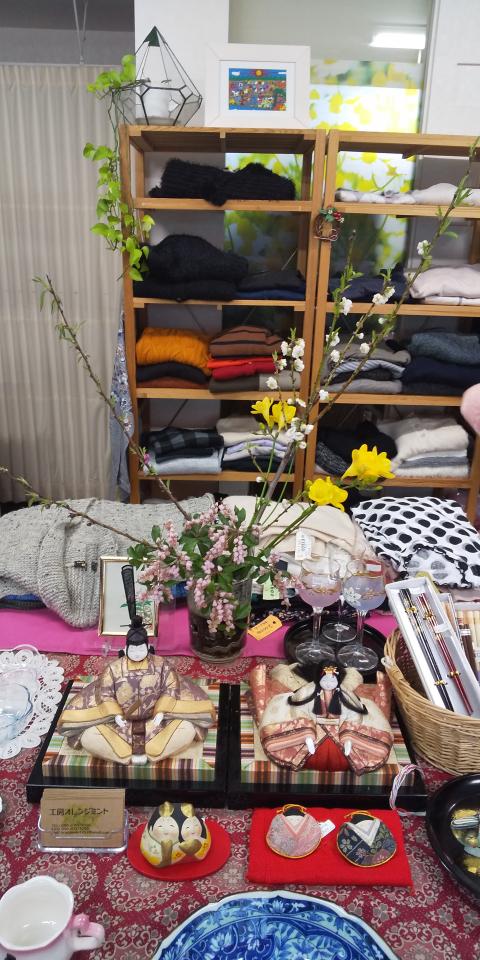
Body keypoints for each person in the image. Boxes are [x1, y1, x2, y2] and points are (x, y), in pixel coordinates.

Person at [57, 616, 215, 765]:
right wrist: (116, 715)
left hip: (157, 722)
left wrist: (162, 711)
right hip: (119, 724)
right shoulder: (113, 669)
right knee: (89, 736)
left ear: (148, 647)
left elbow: (171, 686)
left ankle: (153, 752)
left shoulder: (161, 665)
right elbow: (105, 693)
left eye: (141, 649)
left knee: (186, 729)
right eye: (133, 650)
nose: (137, 653)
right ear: (125, 649)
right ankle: (124, 755)